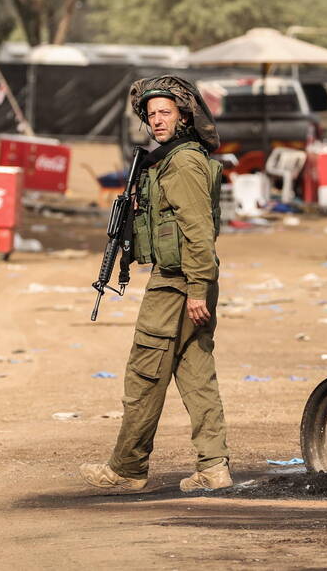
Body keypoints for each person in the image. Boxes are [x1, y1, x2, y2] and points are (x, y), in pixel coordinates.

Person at [80, 75, 231, 493]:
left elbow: (198, 230)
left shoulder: (182, 162)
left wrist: (198, 287)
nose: (157, 120)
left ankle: (127, 468)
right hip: (186, 280)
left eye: (165, 112)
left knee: (145, 375)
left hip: (178, 283)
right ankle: (214, 468)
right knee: (196, 374)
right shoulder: (171, 158)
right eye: (152, 115)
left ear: (183, 115)